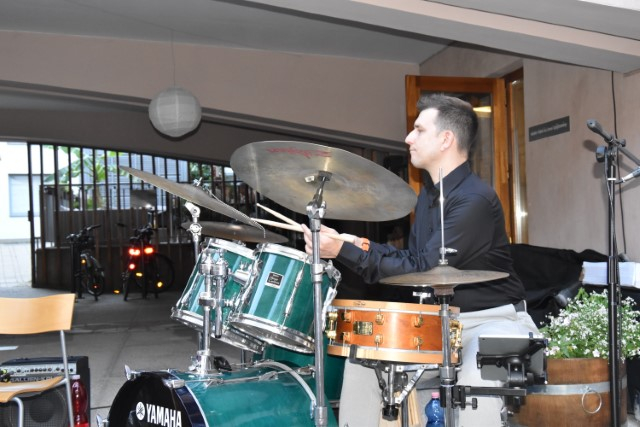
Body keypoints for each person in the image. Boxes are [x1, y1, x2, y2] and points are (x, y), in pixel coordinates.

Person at [302, 94, 539, 427]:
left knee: (477, 380)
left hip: (493, 321)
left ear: (446, 139)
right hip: (438, 325)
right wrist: (354, 243)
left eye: (419, 129)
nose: (408, 138)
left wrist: (341, 251)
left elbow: (424, 269)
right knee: (364, 362)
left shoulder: (475, 200)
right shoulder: (430, 195)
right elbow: (413, 258)